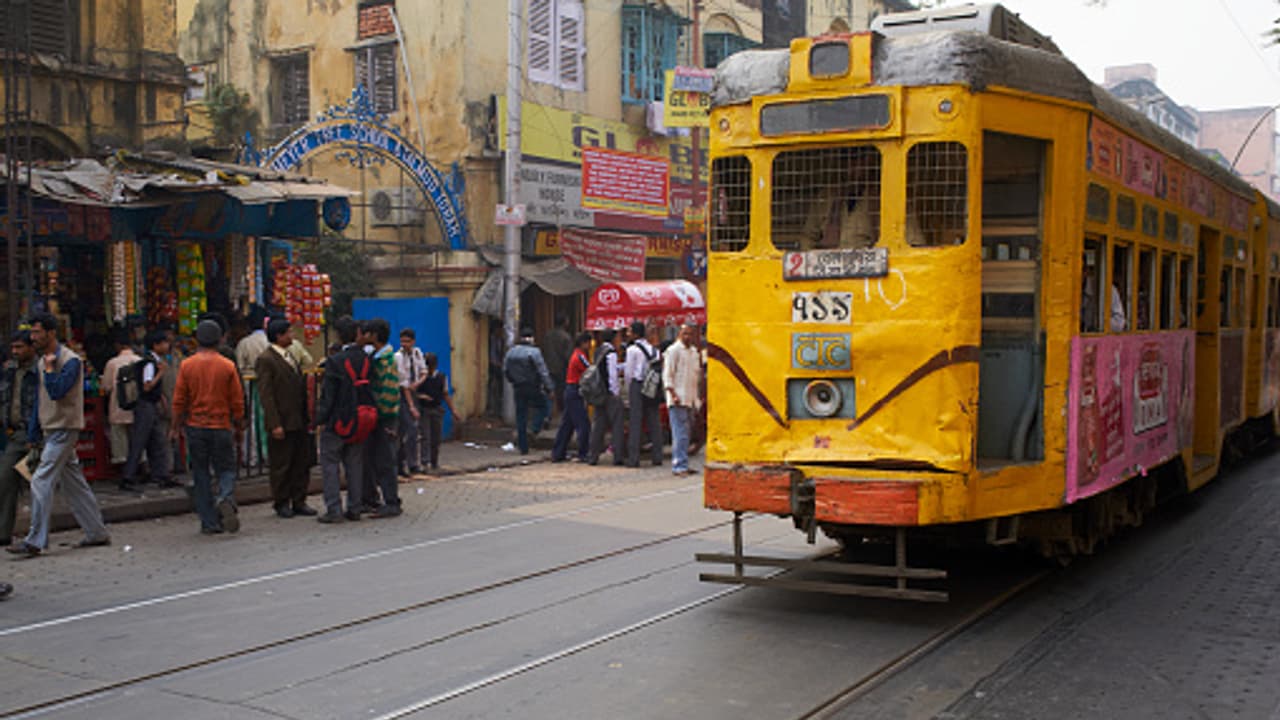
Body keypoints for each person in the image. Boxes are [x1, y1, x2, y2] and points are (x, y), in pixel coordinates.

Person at [7, 313, 111, 557]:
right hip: (51, 428)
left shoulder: (69, 361)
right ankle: (96, 532)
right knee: (75, 484)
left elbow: (56, 391)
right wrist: (34, 431)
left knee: (41, 480)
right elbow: (40, 401)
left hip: (64, 428)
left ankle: (35, 540)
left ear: (51, 333)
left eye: (37, 333)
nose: (33, 338)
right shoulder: (45, 361)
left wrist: (52, 368)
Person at [171, 319, 246, 535]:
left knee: (201, 473)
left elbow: (179, 400)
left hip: (196, 425)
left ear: (197, 340)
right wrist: (239, 425)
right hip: (221, 425)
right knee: (227, 469)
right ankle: (224, 496)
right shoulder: (227, 366)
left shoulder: (187, 365)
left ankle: (209, 522)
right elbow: (237, 401)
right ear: (220, 339)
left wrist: (175, 426)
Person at [255, 318, 316, 519]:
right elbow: (266, 395)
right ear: (279, 336)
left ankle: (299, 499)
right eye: (289, 333)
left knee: (301, 461)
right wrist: (274, 423)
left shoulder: (291, 356)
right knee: (281, 463)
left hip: (298, 418)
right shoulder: (266, 359)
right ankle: (281, 501)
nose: (292, 336)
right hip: (282, 419)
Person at [314, 316, 367, 523]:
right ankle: (355, 507)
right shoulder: (365, 359)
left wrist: (319, 419)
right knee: (354, 464)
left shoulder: (334, 362)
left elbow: (328, 396)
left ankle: (334, 509)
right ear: (357, 334)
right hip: (359, 419)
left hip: (337, 420)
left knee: (330, 464)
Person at [122, 329, 174, 490]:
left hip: (151, 406)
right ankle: (128, 477)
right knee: (140, 441)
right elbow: (147, 386)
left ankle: (161, 474)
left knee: (157, 440)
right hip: (145, 406)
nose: (167, 345)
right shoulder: (150, 364)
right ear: (156, 345)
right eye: (164, 342)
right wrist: (161, 373)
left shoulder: (154, 361)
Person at [0, 330, 38, 545]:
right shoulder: (10, 372)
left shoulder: (40, 370)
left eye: (20, 347)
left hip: (34, 434)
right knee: (5, 479)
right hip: (15, 434)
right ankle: (3, 533)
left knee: (38, 483)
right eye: (13, 348)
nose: (15, 352)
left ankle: (37, 534)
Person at [364, 318, 402, 518]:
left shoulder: (386, 360)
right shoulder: (378, 357)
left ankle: (391, 501)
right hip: (380, 417)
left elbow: (389, 393)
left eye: (368, 333)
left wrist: (380, 416)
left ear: (375, 336)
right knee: (377, 460)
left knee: (385, 461)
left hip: (384, 418)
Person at [503, 326, 553, 455]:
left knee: (521, 416)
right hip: (532, 386)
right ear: (532, 338)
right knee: (543, 407)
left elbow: (505, 370)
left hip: (518, 387)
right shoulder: (534, 352)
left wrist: (513, 381)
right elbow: (543, 372)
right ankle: (534, 428)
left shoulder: (511, 352)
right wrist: (549, 388)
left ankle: (523, 447)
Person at [663, 323, 703, 476]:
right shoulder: (673, 351)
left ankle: (683, 463)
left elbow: (697, 376)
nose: (688, 337)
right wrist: (673, 394)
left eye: (690, 334)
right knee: (680, 433)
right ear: (679, 334)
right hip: (678, 398)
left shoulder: (694, 352)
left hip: (690, 398)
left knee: (687, 433)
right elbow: (668, 375)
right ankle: (678, 465)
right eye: (685, 333)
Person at [101, 328, 140, 482]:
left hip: (118, 407)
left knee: (120, 441)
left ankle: (124, 471)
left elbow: (106, 387)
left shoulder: (112, 363)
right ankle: (138, 468)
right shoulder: (139, 360)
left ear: (117, 345)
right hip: (137, 408)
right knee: (137, 439)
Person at [625, 322, 664, 468]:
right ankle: (657, 456)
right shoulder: (654, 350)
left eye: (629, 331)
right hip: (652, 386)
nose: (627, 334)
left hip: (638, 384)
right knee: (654, 420)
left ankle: (634, 458)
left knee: (636, 421)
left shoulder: (632, 350)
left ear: (635, 334)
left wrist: (629, 388)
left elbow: (629, 372)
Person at [551, 332, 592, 463]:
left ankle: (558, 452)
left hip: (570, 390)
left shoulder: (576, 355)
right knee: (583, 423)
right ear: (584, 343)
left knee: (567, 424)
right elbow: (591, 371)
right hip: (575, 391)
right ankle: (583, 453)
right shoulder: (580, 356)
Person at [588, 329, 625, 466]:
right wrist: (615, 392)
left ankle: (593, 456)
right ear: (614, 338)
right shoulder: (611, 353)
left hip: (599, 393)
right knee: (617, 424)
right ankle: (618, 456)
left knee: (598, 425)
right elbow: (612, 376)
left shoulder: (598, 351)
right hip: (609, 393)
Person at [395, 328, 428, 476]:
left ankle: (413, 463)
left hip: (414, 392)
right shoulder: (398, 357)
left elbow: (423, 371)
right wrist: (411, 406)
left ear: (413, 342)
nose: (405, 344)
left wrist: (418, 383)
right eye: (402, 341)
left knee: (413, 432)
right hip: (403, 396)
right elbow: (404, 384)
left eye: (407, 341)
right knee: (407, 431)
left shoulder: (417, 353)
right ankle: (402, 464)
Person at [418, 352, 457, 471]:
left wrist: (453, 410)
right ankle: (425, 462)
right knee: (425, 436)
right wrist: (421, 396)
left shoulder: (441, 377)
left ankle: (434, 461)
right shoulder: (420, 377)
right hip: (424, 409)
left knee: (436, 437)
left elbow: (445, 394)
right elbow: (413, 391)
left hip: (436, 408)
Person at [540, 314, 572, 415]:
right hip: (561, 368)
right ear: (564, 322)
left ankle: (547, 415)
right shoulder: (566, 337)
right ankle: (563, 413)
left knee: (549, 391)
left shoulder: (547, 335)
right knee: (562, 391)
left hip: (547, 367)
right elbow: (568, 355)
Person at [234, 304, 270, 376]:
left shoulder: (243, 343)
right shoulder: (271, 341)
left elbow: (239, 366)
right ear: (265, 323)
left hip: (249, 382)